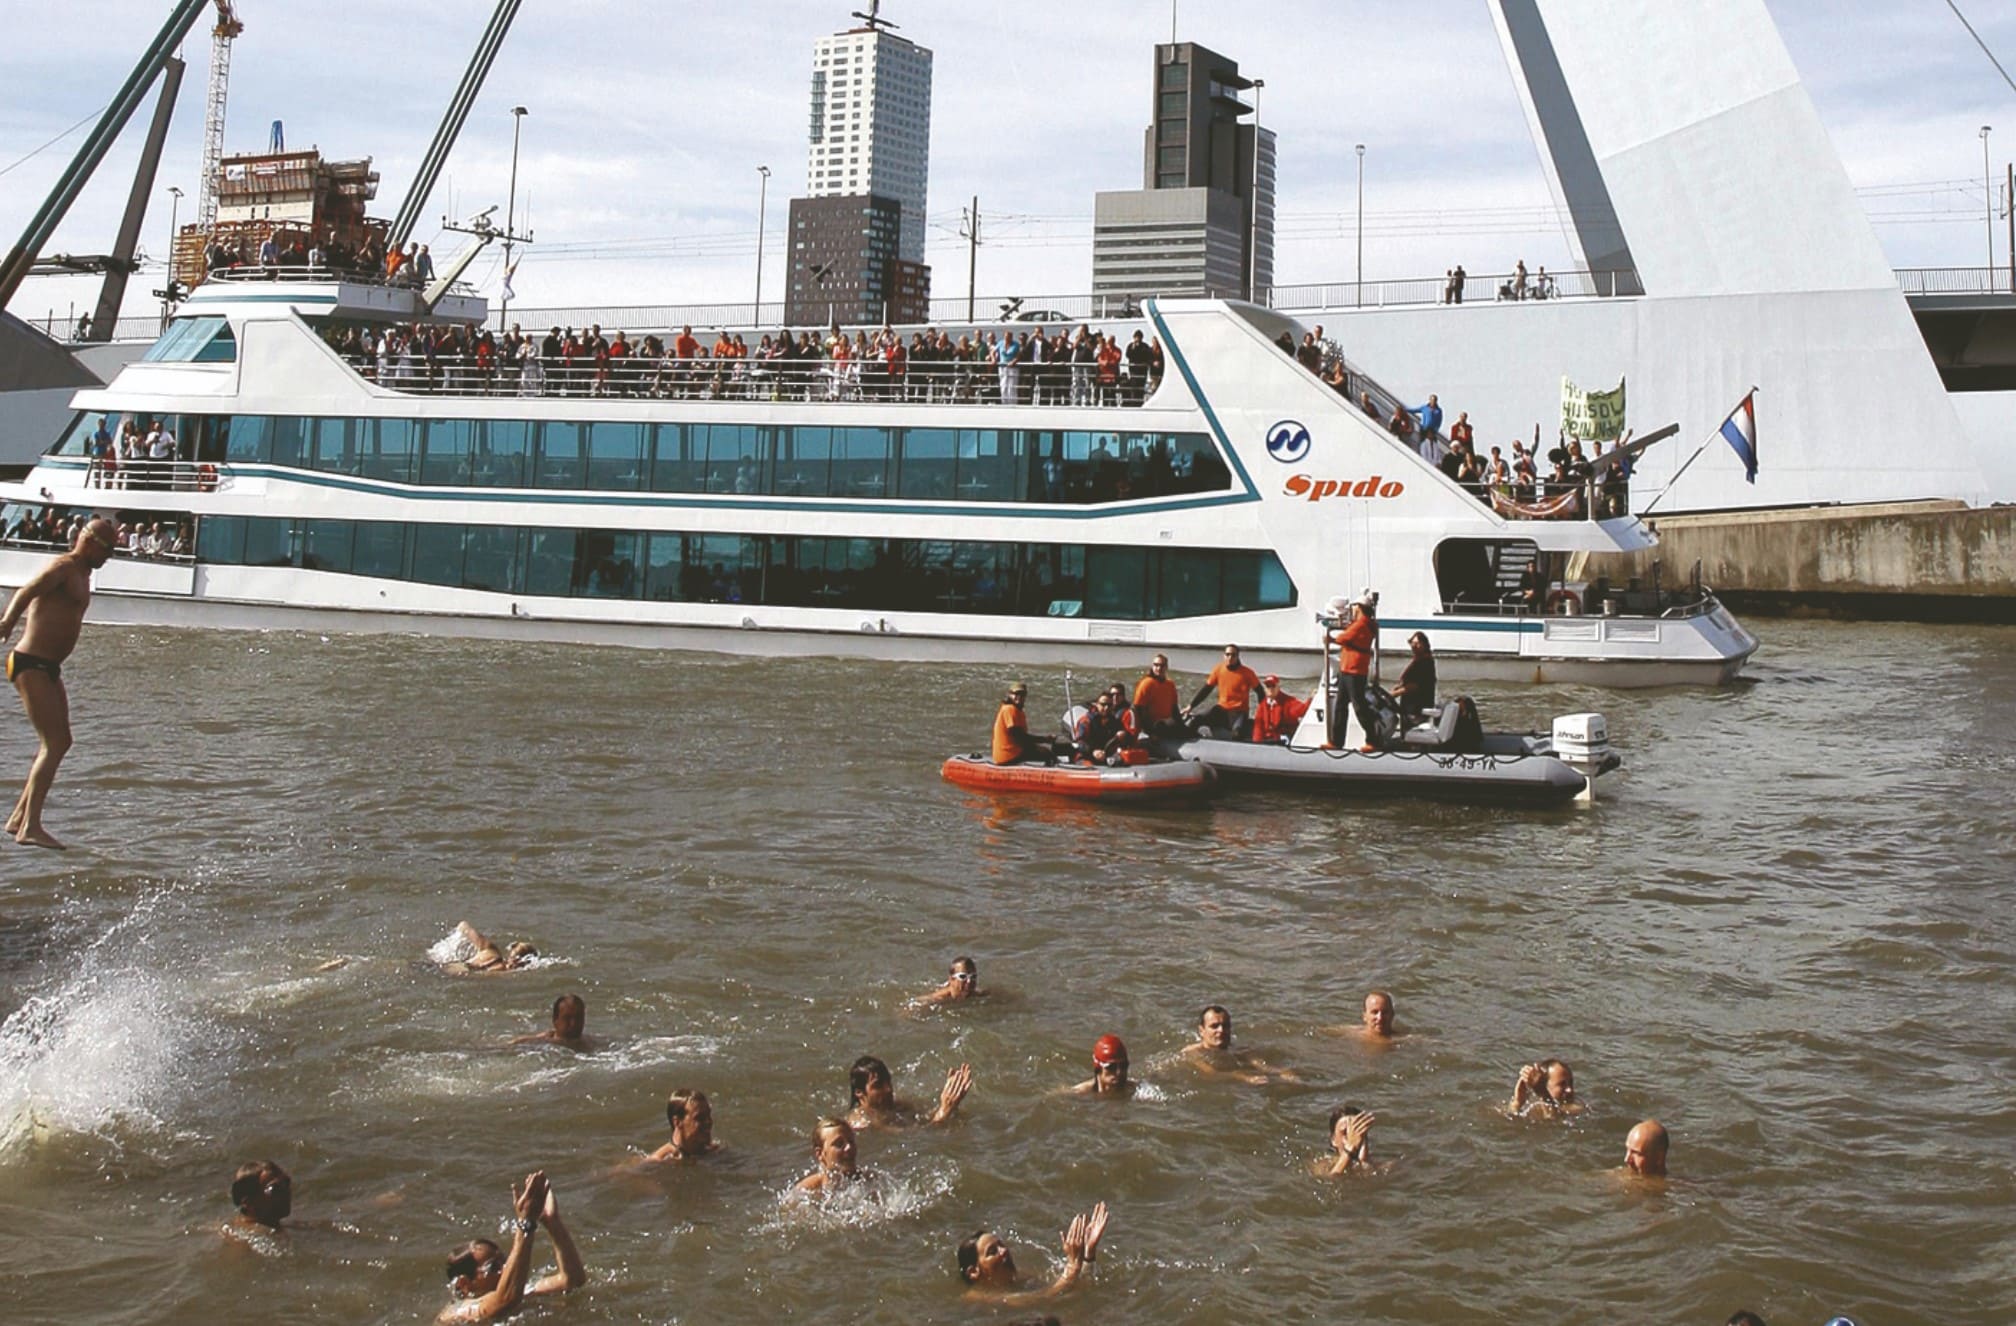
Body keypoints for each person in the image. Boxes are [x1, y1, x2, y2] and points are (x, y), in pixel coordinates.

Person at [2, 515, 117, 849]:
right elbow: (27, 590)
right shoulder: (64, 568)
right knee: (53, 743)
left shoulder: (82, 573)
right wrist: (8, 621)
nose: (109, 557)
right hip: (30, 663)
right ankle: (30, 827)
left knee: (62, 741)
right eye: (107, 550)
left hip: (49, 668)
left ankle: (18, 818)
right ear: (89, 541)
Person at [439, 1172, 586, 1322]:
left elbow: (572, 1281)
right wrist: (526, 1222)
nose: (505, 1268)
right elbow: (505, 1302)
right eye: (493, 1267)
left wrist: (552, 1223)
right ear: (465, 1284)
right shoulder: (456, 1314)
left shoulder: (518, 1292)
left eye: (503, 1260)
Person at [958, 1202, 1108, 1304]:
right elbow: (1045, 1297)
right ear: (973, 1272)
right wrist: (1073, 1266)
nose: (1004, 1251)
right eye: (993, 1251)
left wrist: (1088, 1253)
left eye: (1001, 1245)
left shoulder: (1021, 1278)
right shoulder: (979, 1298)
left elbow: (1073, 1289)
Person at [846, 1055, 973, 1129]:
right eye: (878, 1085)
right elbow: (919, 1141)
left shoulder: (898, 1105)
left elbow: (925, 1119)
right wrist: (944, 1112)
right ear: (859, 1092)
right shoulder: (863, 1124)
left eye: (888, 1082)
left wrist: (952, 1103)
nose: (889, 1089)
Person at [1182, 1005, 1298, 1084]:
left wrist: (1282, 1072)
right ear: (1201, 1030)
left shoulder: (1238, 1051)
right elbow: (1211, 1074)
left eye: (1225, 1025)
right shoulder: (1192, 1052)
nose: (1221, 1030)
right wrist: (1242, 1077)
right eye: (1214, 1026)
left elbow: (1261, 1066)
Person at [1329, 591, 1381, 752]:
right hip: (1349, 669)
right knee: (1341, 706)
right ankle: (1336, 741)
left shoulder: (1361, 623)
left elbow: (1343, 638)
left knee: (1359, 706)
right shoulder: (1363, 623)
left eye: (1355, 606)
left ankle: (1372, 739)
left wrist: (1331, 639)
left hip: (1354, 670)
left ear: (1360, 607)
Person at [1183, 644, 1260, 740]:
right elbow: (1206, 690)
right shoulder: (1218, 669)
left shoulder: (1248, 673)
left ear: (1238, 656)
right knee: (1196, 720)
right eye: (1227, 655)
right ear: (1223, 656)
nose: (1230, 658)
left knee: (1237, 734)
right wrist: (1191, 706)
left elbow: (1260, 692)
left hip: (1239, 713)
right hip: (1221, 711)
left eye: (1233, 655)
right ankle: (1190, 743)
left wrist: (1264, 714)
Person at [629, 1088, 721, 1165]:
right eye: (699, 1118)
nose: (708, 1122)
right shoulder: (659, 1162)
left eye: (708, 1115)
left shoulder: (714, 1151)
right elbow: (624, 1173)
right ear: (677, 1122)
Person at [795, 1117, 868, 1194]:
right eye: (839, 1144)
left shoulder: (870, 1182)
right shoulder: (806, 1190)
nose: (849, 1147)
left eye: (851, 1141)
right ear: (820, 1153)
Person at [991, 681, 1052, 765]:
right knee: (1047, 754)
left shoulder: (1016, 710)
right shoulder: (1009, 709)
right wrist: (1044, 740)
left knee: (1042, 750)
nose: (1019, 697)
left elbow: (1021, 738)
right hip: (1009, 755)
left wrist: (1042, 741)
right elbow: (1019, 737)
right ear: (1009, 695)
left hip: (1009, 753)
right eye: (1016, 694)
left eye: (1022, 694)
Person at [448, 921, 537, 973]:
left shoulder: (491, 950)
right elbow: (463, 925)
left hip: (450, 968)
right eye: (514, 959)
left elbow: (463, 925)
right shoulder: (491, 951)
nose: (512, 963)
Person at [1063, 1034, 1135, 1098]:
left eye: (1123, 1066)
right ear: (1098, 1069)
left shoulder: (1134, 1090)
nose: (1119, 1072)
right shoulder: (1080, 1092)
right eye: (1111, 1067)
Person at [229, 1160, 293, 1232]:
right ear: (248, 1201)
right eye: (275, 1188)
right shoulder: (243, 1234)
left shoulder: (289, 1226)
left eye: (286, 1182)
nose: (285, 1191)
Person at [512, 993, 592, 1049]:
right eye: (567, 1018)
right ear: (555, 1020)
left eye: (578, 1018)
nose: (573, 1023)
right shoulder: (540, 1043)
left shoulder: (591, 1042)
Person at [1508, 1059, 1584, 1117]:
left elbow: (1554, 1121)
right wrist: (1517, 1102)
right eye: (1562, 1084)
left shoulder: (1577, 1108)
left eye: (1570, 1083)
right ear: (1546, 1086)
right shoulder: (1533, 1107)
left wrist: (1542, 1092)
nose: (1569, 1090)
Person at [1391, 632, 1437, 727]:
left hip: (1416, 709)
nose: (1414, 646)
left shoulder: (1425, 663)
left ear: (1425, 645)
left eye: (1417, 643)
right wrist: (1399, 686)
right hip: (1411, 707)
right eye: (1412, 643)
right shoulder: (1419, 661)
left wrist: (1395, 694)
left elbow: (1415, 686)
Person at [1317, 1105, 1377, 1176]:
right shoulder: (1323, 1166)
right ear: (1333, 1140)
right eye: (1345, 1133)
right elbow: (1330, 1182)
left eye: (1358, 1133)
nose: (1353, 1139)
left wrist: (1365, 1163)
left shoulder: (1383, 1167)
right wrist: (1350, 1149)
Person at [1131, 654, 1181, 736]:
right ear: (1152, 666)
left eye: (1162, 665)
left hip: (1166, 723)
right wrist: (1150, 732)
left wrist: (1181, 725)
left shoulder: (1170, 684)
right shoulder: (1146, 683)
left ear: (1166, 667)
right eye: (1156, 665)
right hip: (1153, 726)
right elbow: (1138, 709)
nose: (1159, 668)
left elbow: (1174, 708)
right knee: (1165, 724)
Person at [1251, 674, 1307, 745]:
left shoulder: (1288, 701)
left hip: (1283, 738)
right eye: (1268, 686)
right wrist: (1256, 744)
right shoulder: (1263, 705)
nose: (1270, 689)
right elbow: (1258, 726)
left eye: (1273, 686)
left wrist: (1311, 699)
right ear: (1265, 689)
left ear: (1278, 687)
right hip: (1268, 739)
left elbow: (1302, 710)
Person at [914, 955, 984, 1006]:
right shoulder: (939, 999)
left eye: (973, 976)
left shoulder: (977, 995)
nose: (969, 981)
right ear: (951, 979)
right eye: (963, 976)